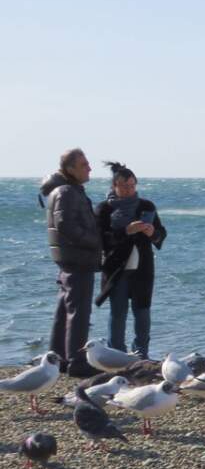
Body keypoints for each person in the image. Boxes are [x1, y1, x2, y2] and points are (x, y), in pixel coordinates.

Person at [39, 147, 102, 377]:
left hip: (69, 260)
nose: (89, 168)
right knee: (78, 312)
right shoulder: (66, 192)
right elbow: (65, 225)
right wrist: (94, 241)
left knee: (65, 310)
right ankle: (77, 362)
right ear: (70, 169)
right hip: (77, 260)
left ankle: (59, 359)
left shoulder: (67, 190)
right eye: (84, 164)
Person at [94, 161, 166, 360]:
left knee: (142, 312)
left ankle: (141, 354)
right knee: (118, 312)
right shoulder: (104, 209)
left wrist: (153, 233)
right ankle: (116, 354)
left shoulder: (146, 206)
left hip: (142, 268)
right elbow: (100, 239)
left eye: (132, 186)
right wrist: (126, 230)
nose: (128, 190)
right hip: (116, 267)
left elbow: (161, 233)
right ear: (114, 187)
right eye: (124, 186)